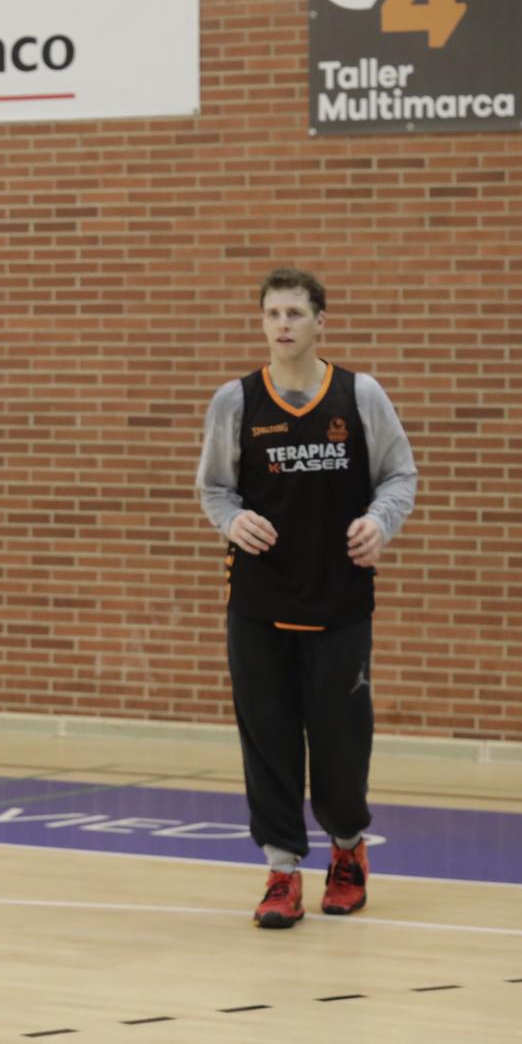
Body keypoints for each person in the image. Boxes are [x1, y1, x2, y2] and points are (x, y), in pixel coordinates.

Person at [196, 267, 417, 930]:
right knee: (267, 739)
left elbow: (400, 475)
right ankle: (283, 869)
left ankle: (348, 851)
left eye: (295, 312)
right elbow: (214, 490)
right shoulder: (235, 402)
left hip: (339, 600)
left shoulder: (359, 395)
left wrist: (380, 522)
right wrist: (232, 519)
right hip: (259, 603)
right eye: (272, 314)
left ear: (321, 322)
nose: (283, 325)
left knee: (341, 742)